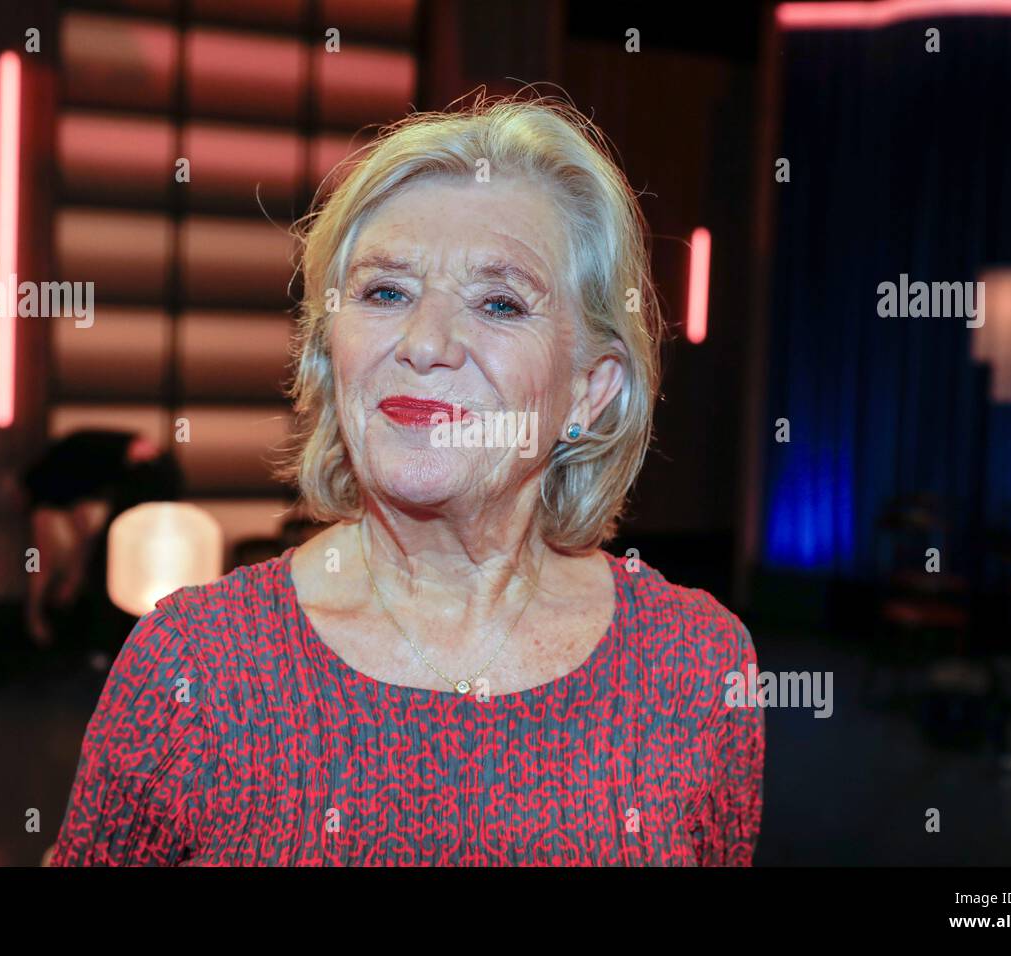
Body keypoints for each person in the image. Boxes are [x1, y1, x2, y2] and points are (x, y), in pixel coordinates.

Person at [48, 95, 764, 865]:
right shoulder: (195, 666)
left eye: (499, 302)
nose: (425, 344)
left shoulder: (695, 666)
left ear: (589, 391)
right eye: (386, 292)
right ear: (331, 353)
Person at [20, 429, 182, 660]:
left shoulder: (58, 485)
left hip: (129, 472)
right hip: (127, 474)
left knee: (97, 556)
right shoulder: (56, 494)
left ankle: (92, 637)